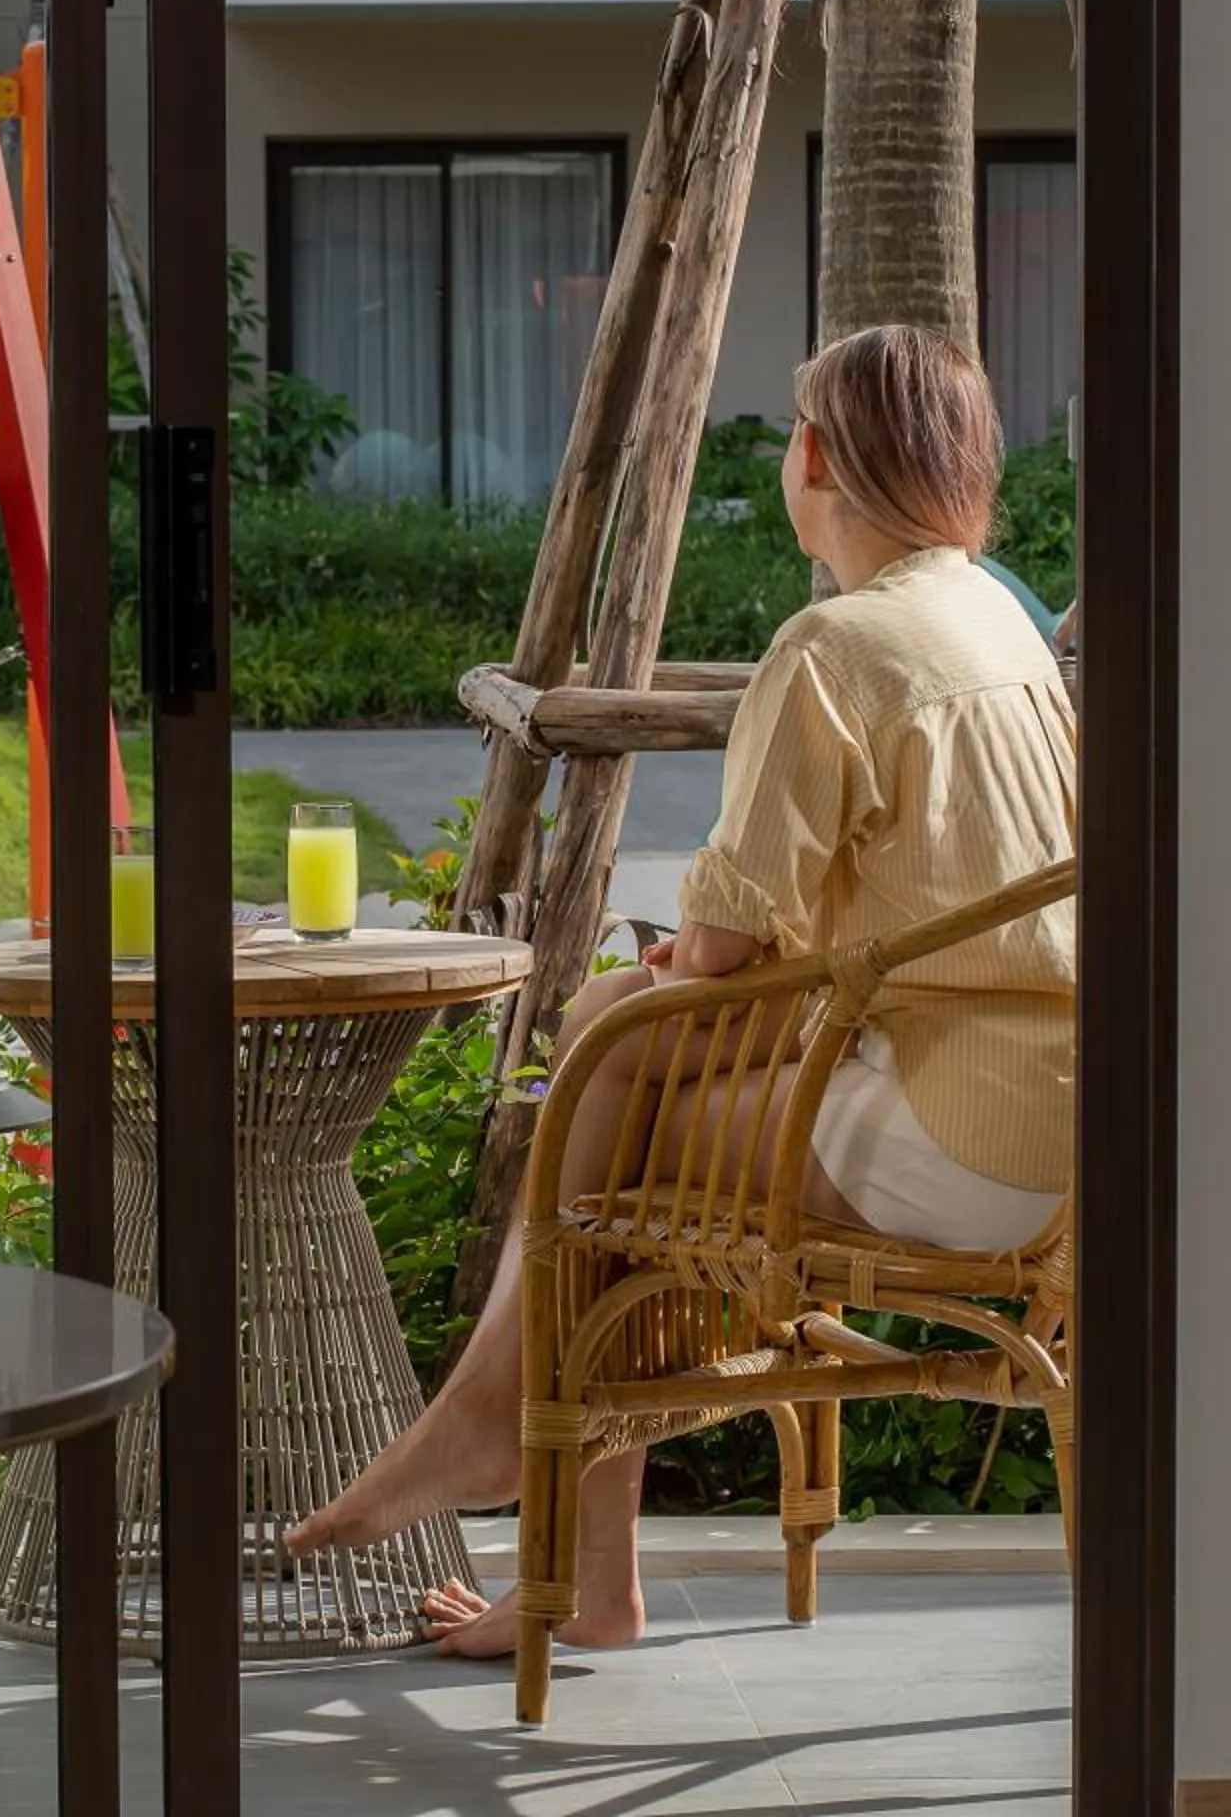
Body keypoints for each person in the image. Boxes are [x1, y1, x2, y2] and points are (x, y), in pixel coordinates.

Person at [286, 324, 1078, 1659]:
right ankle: (543, 1513)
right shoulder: (994, 612)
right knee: (612, 1050)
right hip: (1068, 1119)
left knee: (611, 1109)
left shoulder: (833, 648)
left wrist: (647, 986)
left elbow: (718, 946)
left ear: (814, 459)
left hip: (955, 1129)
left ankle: (513, 1465)